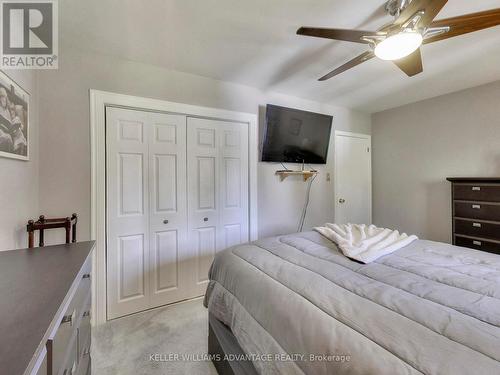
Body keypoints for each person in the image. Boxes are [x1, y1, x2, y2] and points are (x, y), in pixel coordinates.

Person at [0, 87, 13, 153]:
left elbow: (10, 123)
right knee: (7, 138)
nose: (3, 99)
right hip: (1, 133)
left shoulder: (7, 110)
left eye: (5, 97)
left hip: (8, 133)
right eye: (2, 96)